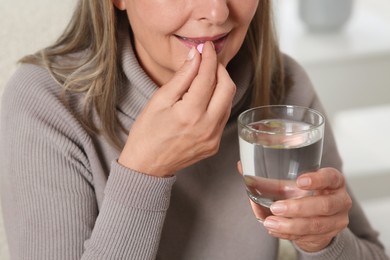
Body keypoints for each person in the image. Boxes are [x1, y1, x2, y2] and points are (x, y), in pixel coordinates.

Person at [0, 0, 388, 259]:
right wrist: (145, 170)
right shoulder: (45, 104)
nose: (217, 12)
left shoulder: (282, 89)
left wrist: (323, 241)